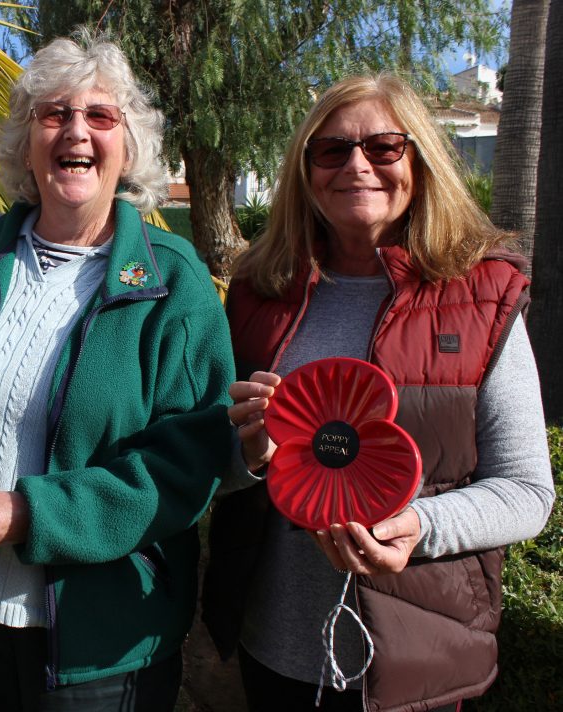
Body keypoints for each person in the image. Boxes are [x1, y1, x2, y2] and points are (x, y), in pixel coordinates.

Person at [0, 32, 235, 711]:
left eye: (100, 115)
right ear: (28, 141)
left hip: (100, 643)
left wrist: (35, 514)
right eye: (54, 113)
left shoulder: (171, 283)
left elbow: (190, 465)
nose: (76, 132)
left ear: (129, 147)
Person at [202, 74, 556, 712]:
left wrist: (418, 525)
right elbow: (215, 471)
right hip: (275, 650)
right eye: (331, 150)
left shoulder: (484, 295)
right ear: (306, 170)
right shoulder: (259, 293)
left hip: (416, 661)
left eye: (384, 147)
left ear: (417, 161)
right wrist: (249, 455)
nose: (357, 166)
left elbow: (527, 491)